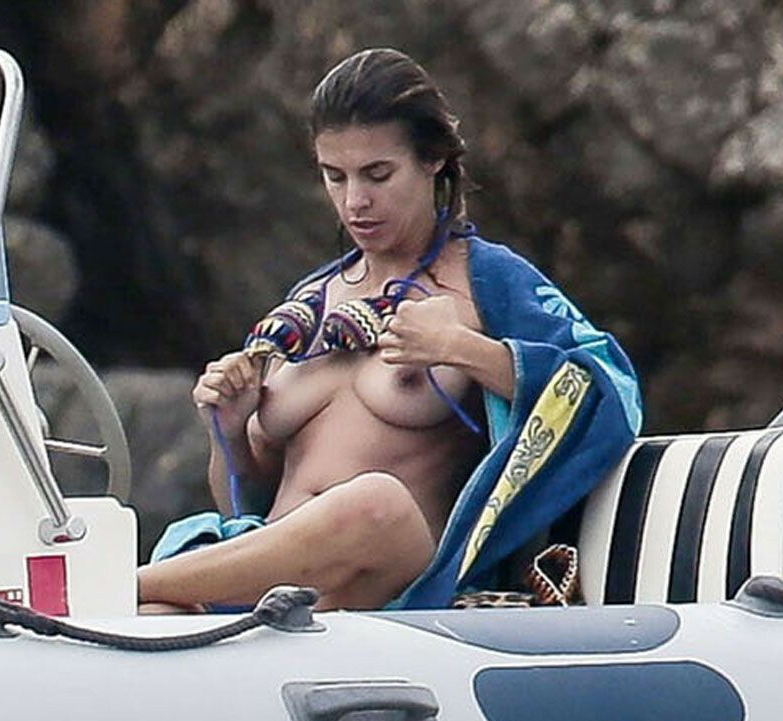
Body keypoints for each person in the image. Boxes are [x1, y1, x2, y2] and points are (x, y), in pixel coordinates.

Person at [137, 48, 641, 613]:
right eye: (335, 177)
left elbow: (611, 392)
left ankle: (116, 585)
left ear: (434, 161)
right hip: (279, 583)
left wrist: (462, 349)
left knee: (375, 504)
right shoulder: (310, 301)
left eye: (378, 174)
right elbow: (244, 504)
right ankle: (137, 595)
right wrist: (229, 432)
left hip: (393, 582)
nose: (356, 201)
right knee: (151, 621)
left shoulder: (489, 280)